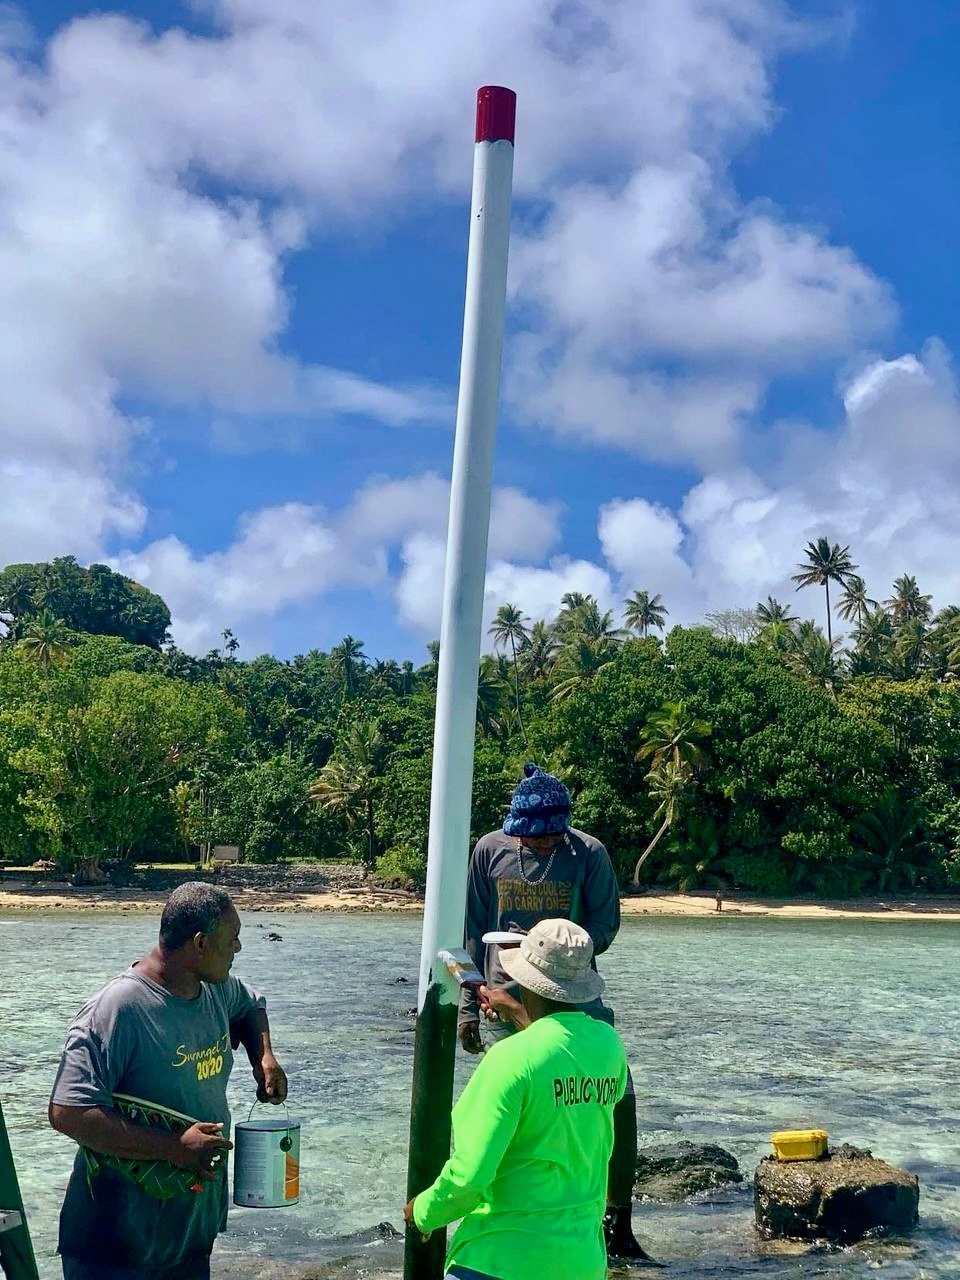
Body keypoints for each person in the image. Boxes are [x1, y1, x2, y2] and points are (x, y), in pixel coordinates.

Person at [459, 763, 657, 1265]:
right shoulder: (489, 850)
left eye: (550, 838)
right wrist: (467, 1005)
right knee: (521, 1114)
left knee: (618, 1098)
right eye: (532, 839)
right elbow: (472, 930)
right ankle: (514, 1220)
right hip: (503, 1000)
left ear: (564, 827)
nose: (543, 846)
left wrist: (552, 954)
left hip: (572, 991)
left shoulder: (588, 854)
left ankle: (618, 1221)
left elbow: (605, 924)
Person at [49, 882, 288, 1280]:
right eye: (233, 939)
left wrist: (263, 1057)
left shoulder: (216, 989)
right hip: (115, 1246)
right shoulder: (118, 1009)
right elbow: (67, 1112)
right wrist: (172, 1147)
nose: (238, 950)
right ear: (200, 943)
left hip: (189, 1235)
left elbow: (250, 1006)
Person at [405, 919, 629, 1280]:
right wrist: (520, 1013)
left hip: (499, 1262)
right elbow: (562, 1057)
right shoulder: (608, 1045)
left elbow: (469, 1177)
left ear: (525, 979)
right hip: (581, 1261)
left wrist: (422, 1213)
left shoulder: (509, 1059)